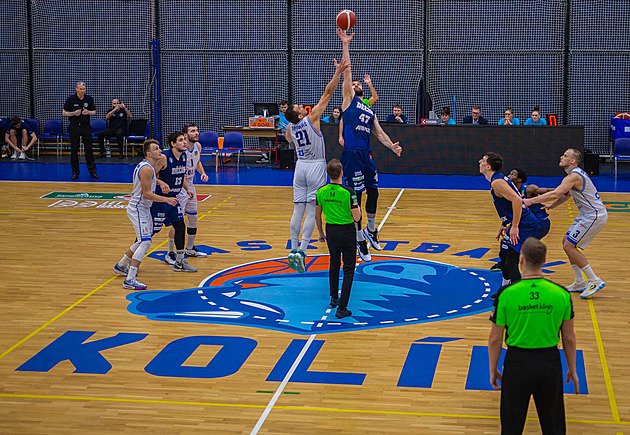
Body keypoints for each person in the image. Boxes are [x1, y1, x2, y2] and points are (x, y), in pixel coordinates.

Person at [489, 237, 579, 434]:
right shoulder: (562, 294)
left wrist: (493, 368)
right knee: (554, 426)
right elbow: (569, 338)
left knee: (511, 426)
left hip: (517, 364)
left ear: (520, 260)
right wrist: (572, 368)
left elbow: (495, 338)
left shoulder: (506, 293)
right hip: (549, 363)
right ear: (544, 260)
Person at [337, 29, 402, 262]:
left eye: (356, 83)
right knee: (356, 198)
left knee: (374, 190)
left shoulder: (369, 109)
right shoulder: (348, 100)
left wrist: (392, 146)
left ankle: (371, 231)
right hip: (352, 153)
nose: (354, 84)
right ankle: (359, 240)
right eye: (352, 83)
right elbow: (348, 71)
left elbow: (380, 133)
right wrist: (345, 44)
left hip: (367, 153)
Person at [284, 56, 350, 273]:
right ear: (301, 113)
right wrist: (338, 72)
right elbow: (328, 94)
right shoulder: (311, 119)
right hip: (314, 166)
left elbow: (287, 139)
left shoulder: (291, 128)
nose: (301, 106)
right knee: (312, 210)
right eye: (298, 107)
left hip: (299, 166)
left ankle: (292, 249)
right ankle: (302, 251)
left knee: (297, 209)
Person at [524, 148, 607, 298]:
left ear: (572, 161)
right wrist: (552, 206)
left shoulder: (574, 176)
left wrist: (530, 200)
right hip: (587, 215)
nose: (561, 157)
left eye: (565, 156)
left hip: (594, 215)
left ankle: (594, 280)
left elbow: (556, 193)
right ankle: (580, 281)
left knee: (570, 245)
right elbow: (567, 194)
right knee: (566, 242)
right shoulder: (573, 175)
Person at [113, 139, 179, 290]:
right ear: (149, 153)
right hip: (138, 208)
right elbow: (147, 193)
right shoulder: (147, 169)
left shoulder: (148, 167)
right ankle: (130, 279)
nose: (160, 151)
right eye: (156, 149)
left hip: (143, 208)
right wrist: (166, 199)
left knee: (142, 240)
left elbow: (149, 183)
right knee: (146, 242)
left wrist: (160, 183)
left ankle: (121, 265)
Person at [479, 152, 539, 286]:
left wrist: (515, 226)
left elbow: (517, 201)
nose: (479, 162)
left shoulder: (497, 182)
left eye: (483, 160)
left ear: (488, 166)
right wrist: (505, 223)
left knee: (511, 262)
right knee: (504, 255)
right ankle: (504, 288)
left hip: (525, 223)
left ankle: (518, 294)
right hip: (516, 221)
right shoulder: (497, 179)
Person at [315, 159, 362, 319]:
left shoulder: (321, 191)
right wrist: (358, 209)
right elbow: (357, 217)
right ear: (342, 173)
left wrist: (321, 232)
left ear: (328, 174)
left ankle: (334, 297)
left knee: (334, 263)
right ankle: (342, 308)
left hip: (331, 231)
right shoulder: (349, 192)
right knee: (349, 269)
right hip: (346, 232)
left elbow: (317, 215)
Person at [163, 123, 209, 263]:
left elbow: (198, 162)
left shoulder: (198, 146)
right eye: (192, 131)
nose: (196, 133)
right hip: (179, 188)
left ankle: (190, 248)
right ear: (185, 135)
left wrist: (202, 173)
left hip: (190, 186)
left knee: (193, 218)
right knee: (178, 222)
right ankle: (170, 253)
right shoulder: (179, 150)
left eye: (197, 130)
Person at [151, 131, 197, 272]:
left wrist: (187, 188)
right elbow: (151, 175)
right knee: (149, 233)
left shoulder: (183, 156)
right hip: (160, 201)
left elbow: (181, 175)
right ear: (173, 144)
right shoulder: (164, 157)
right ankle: (127, 260)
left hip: (174, 199)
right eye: (181, 140)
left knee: (180, 227)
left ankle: (179, 261)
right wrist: (161, 183)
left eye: (184, 139)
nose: (185, 142)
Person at [63, 81, 98, 180]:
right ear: (76, 89)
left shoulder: (89, 99)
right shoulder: (71, 99)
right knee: (74, 150)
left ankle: (93, 172)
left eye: (84, 89)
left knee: (89, 149)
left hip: (86, 126)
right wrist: (74, 113)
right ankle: (75, 172)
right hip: (74, 126)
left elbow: (94, 112)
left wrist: (88, 112)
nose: (82, 91)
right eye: (80, 89)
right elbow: (64, 112)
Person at [508, 168, 553, 239]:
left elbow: (546, 191)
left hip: (540, 221)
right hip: (528, 222)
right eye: (509, 174)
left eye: (512, 175)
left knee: (526, 246)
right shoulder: (512, 191)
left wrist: (563, 190)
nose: (508, 176)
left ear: (519, 179)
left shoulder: (529, 189)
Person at [337, 73, 378, 145]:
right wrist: (340, 135)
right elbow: (342, 120)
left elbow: (375, 98)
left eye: (358, 84)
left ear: (363, 90)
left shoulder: (366, 101)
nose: (356, 85)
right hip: (352, 132)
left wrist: (369, 84)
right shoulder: (348, 101)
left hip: (364, 133)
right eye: (353, 84)